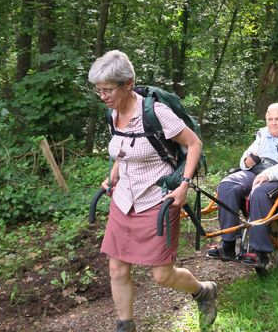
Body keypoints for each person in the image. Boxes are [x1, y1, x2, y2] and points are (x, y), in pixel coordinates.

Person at [88, 50, 216, 332]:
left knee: (161, 275)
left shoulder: (156, 112)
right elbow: (122, 152)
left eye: (108, 90)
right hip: (123, 200)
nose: (103, 96)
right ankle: (126, 326)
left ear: (128, 84)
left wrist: (184, 185)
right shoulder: (113, 114)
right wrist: (112, 177)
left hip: (157, 201)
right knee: (117, 268)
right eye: (98, 90)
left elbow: (194, 144)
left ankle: (203, 291)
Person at [207, 103, 278, 267]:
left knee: (259, 192)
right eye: (270, 119)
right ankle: (228, 244)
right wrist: (247, 161)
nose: (273, 123)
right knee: (226, 186)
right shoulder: (262, 134)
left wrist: (269, 174)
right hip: (255, 171)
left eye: (277, 119)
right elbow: (245, 158)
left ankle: (259, 252)